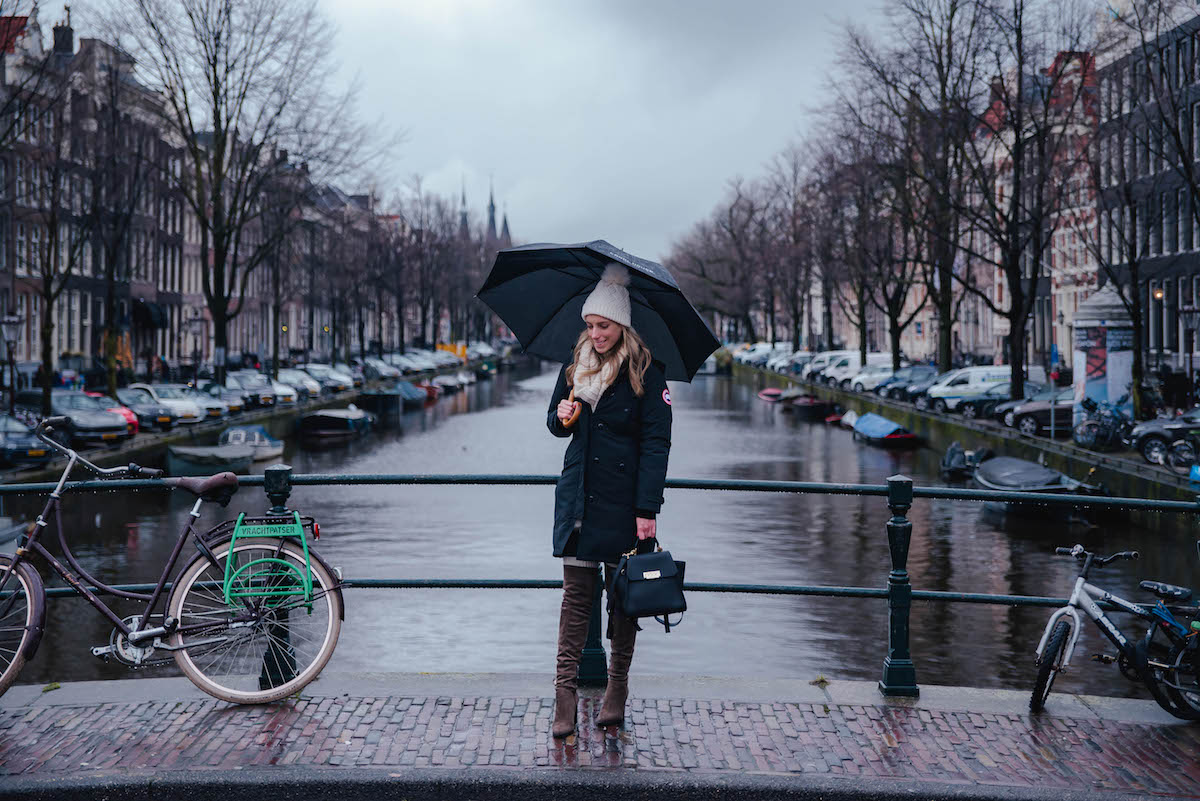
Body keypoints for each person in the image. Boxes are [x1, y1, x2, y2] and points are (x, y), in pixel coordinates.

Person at [545, 263, 672, 739]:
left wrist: (647, 510)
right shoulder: (574, 371)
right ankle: (564, 694)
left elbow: (656, 445)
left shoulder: (646, 374)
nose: (595, 334)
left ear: (622, 327)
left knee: (621, 602)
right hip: (579, 500)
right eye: (591, 326)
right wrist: (563, 415)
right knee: (575, 601)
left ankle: (616, 689)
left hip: (623, 506)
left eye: (604, 326)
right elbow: (556, 428)